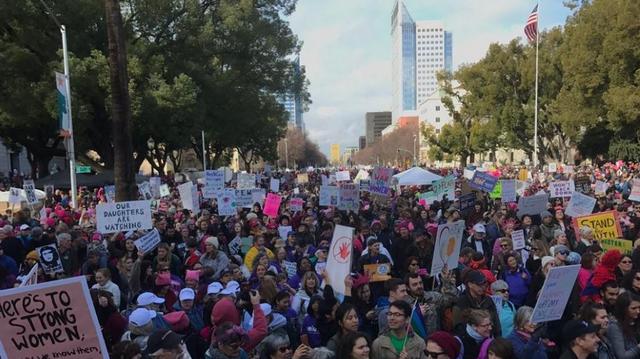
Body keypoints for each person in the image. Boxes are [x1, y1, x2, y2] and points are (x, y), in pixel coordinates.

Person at [453, 270, 501, 337]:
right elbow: (458, 327)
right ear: (470, 284)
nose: (483, 287)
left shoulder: (488, 300)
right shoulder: (461, 302)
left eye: (484, 283)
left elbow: (496, 323)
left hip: (488, 339)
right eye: (479, 284)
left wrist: (497, 339)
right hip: (469, 341)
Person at [607, 291, 640, 358]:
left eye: (639, 307)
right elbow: (622, 356)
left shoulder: (637, 321)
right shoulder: (615, 327)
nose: (638, 311)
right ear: (624, 309)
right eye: (633, 308)